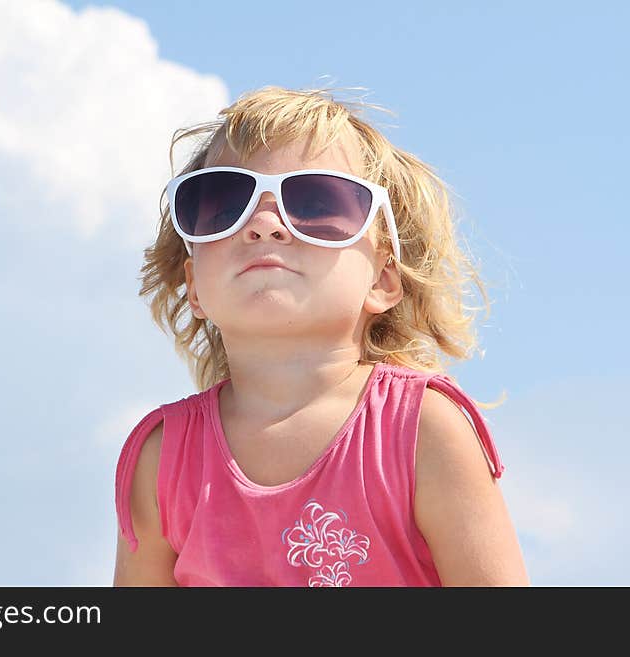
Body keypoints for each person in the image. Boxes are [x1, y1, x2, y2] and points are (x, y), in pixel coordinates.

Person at [113, 85, 530, 587]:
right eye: (225, 204)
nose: (264, 224)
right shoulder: (163, 460)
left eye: (315, 201)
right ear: (194, 286)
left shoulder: (422, 432)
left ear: (382, 279)